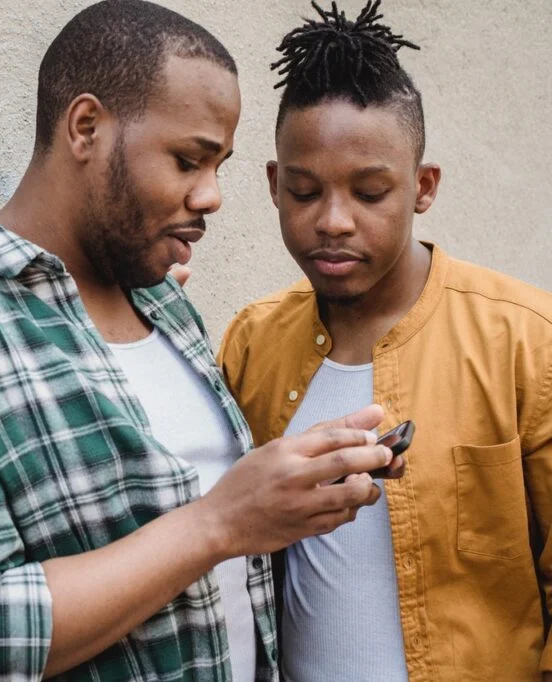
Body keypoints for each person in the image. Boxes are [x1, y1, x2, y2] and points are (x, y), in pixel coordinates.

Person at [0, 1, 397, 679]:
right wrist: (217, 523)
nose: (212, 196)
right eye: (189, 160)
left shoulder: (162, 300)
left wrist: (301, 488)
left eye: (218, 166)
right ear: (87, 127)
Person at [217, 2, 552, 680]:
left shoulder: (525, 342)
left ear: (422, 187)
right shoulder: (251, 345)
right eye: (306, 192)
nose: (333, 221)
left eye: (370, 193)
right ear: (275, 187)